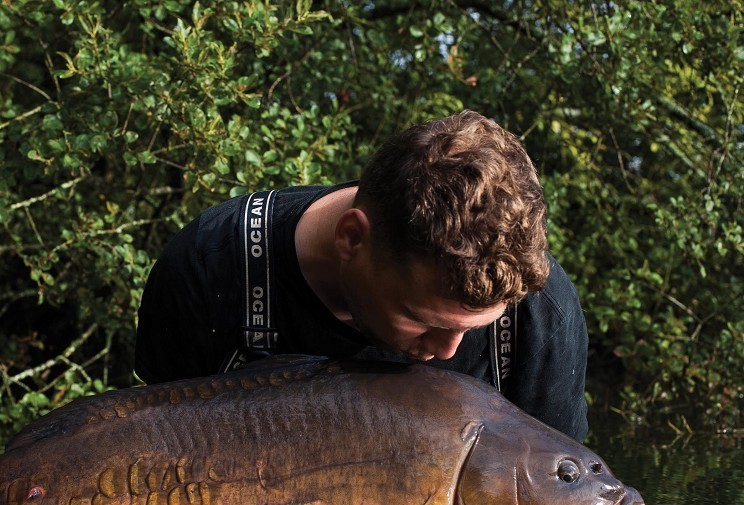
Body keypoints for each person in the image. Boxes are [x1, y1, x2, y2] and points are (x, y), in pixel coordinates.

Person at [134, 110, 589, 440]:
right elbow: (150, 456)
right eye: (423, 320)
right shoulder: (210, 268)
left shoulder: (540, 313)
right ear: (351, 238)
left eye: (474, 327)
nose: (447, 350)